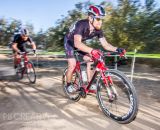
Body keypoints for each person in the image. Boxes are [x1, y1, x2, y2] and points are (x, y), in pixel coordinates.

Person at [64, 5, 126, 93]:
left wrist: (117, 49)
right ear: (90, 17)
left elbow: (105, 45)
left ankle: (90, 83)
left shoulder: (98, 30)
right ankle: (68, 84)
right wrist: (92, 50)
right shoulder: (81, 24)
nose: (100, 22)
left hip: (78, 43)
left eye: (101, 19)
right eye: (98, 19)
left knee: (91, 60)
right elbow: (77, 43)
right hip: (70, 42)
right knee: (72, 64)